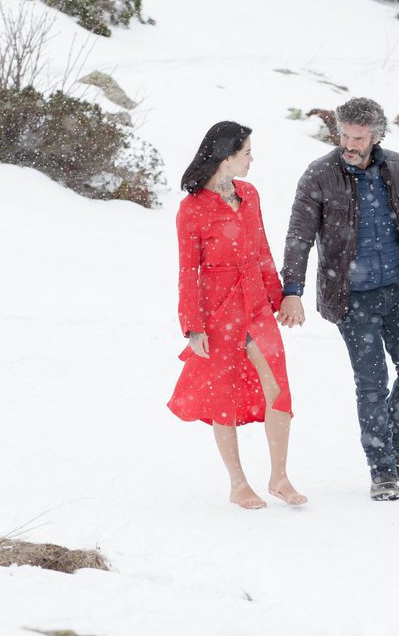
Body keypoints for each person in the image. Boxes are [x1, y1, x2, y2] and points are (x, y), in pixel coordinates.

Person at [279, 97, 399, 501]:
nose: (350, 144)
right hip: (351, 297)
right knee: (371, 383)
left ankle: (395, 444)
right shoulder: (319, 174)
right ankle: (382, 468)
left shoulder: (396, 166)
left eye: (359, 137)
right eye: (345, 135)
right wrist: (291, 291)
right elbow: (298, 236)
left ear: (377, 136)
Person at [168, 121, 306, 509]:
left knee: (277, 386)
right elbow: (187, 271)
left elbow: (262, 250)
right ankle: (238, 483)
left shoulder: (250, 195)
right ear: (226, 157)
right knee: (222, 395)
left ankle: (279, 477)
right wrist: (193, 326)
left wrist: (280, 300)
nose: (251, 159)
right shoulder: (191, 209)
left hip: (256, 304)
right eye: (246, 152)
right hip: (217, 307)